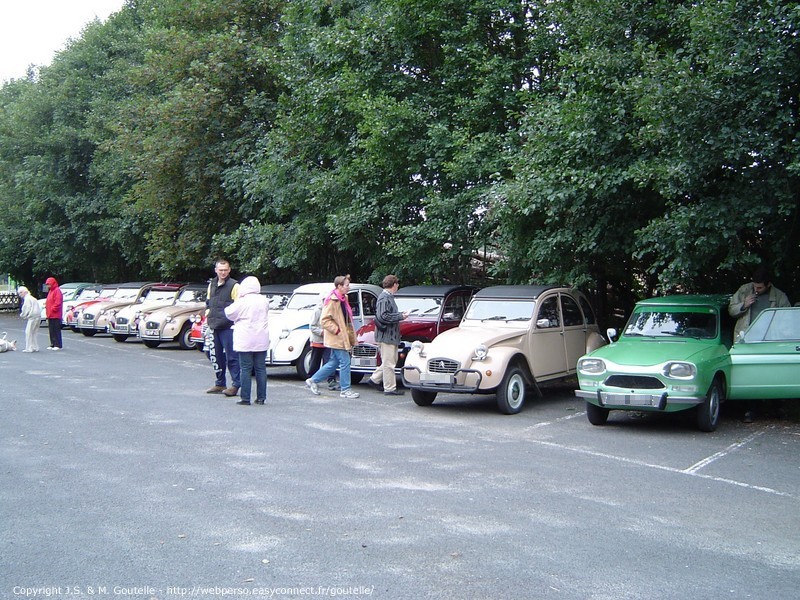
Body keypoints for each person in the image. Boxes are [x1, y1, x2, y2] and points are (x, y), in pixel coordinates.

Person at [729, 264, 791, 422]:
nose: (756, 290)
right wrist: (744, 304)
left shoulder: (779, 296)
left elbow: (788, 318)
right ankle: (751, 409)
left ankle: (778, 408)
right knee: (750, 374)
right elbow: (731, 310)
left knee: (774, 374)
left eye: (760, 287)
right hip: (747, 340)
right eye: (755, 286)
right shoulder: (744, 290)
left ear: (768, 284)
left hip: (771, 341)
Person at [305, 275, 360, 399]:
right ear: (339, 286)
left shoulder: (343, 298)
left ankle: (313, 380)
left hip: (342, 336)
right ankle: (345, 389)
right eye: (346, 285)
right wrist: (337, 330)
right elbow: (324, 320)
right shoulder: (332, 300)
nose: (348, 287)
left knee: (334, 362)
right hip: (337, 337)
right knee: (345, 361)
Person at [224, 276, 269, 406]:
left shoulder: (242, 301)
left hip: (245, 338)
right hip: (261, 337)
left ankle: (245, 398)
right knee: (261, 368)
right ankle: (261, 397)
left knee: (245, 368)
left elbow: (229, 313)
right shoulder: (264, 300)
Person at [367, 274, 408, 396]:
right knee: (389, 363)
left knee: (390, 360)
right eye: (397, 284)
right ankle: (390, 388)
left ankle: (374, 379)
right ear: (394, 285)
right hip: (386, 336)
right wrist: (400, 316)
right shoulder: (384, 298)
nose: (398, 286)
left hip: (390, 336)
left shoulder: (387, 297)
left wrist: (400, 315)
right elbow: (383, 316)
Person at [205, 259, 241, 397]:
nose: (223, 272)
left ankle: (235, 385)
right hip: (214, 325)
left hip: (228, 327)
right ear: (216, 270)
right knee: (215, 356)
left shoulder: (234, 285)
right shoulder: (212, 284)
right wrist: (208, 315)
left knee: (232, 357)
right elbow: (208, 302)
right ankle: (220, 383)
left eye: (225, 270)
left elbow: (238, 306)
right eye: (220, 270)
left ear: (229, 270)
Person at [308, 293, 338, 390]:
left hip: (328, 341)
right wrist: (322, 332)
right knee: (315, 362)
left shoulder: (331, 311)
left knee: (329, 360)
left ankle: (331, 380)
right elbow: (312, 326)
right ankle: (311, 378)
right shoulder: (317, 311)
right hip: (317, 341)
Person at [18, 286, 40, 352]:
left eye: (21, 292)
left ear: (25, 292)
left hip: (32, 317)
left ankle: (29, 348)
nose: (20, 294)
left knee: (28, 332)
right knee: (34, 332)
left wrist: (22, 315)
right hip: (38, 316)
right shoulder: (33, 298)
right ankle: (35, 347)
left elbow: (26, 308)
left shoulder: (27, 299)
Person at [44, 276, 63, 350]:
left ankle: (57, 344)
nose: (48, 286)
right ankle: (53, 343)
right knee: (51, 330)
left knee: (56, 330)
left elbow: (58, 302)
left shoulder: (57, 290)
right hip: (50, 314)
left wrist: (53, 309)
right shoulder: (51, 291)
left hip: (55, 315)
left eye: (49, 284)